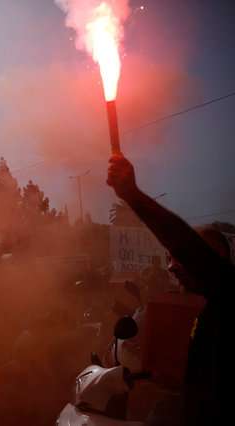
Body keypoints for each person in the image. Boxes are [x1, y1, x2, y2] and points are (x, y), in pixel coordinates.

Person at [107, 154, 233, 425]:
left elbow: (186, 243)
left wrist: (132, 195)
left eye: (178, 258)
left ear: (217, 254)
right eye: (168, 260)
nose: (171, 268)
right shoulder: (209, 306)